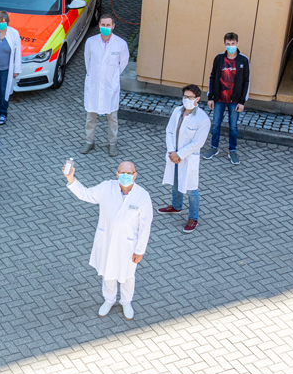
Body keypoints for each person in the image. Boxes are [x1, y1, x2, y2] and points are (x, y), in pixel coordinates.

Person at [63, 160, 153, 320]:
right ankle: (109, 300)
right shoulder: (106, 188)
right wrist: (71, 178)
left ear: (135, 175)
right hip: (108, 241)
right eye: (122, 173)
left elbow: (145, 226)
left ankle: (126, 302)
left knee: (128, 275)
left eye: (129, 173)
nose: (125, 176)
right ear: (117, 174)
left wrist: (140, 250)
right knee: (108, 272)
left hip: (128, 245)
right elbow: (85, 194)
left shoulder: (142, 196)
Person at [158, 85, 211, 233]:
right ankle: (176, 206)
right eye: (185, 97)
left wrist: (179, 155)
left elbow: (197, 143)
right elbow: (169, 131)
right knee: (175, 182)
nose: (187, 100)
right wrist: (171, 152)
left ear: (197, 99)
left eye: (191, 97)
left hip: (188, 158)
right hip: (173, 154)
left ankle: (193, 218)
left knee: (191, 190)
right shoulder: (177, 111)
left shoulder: (202, 119)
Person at [82, 15, 130, 157]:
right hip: (94, 84)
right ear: (99, 25)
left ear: (113, 26)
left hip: (110, 86)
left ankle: (112, 144)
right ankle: (89, 142)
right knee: (91, 116)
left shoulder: (120, 44)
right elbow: (88, 61)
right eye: (103, 24)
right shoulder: (91, 42)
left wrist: (112, 77)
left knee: (112, 117)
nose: (105, 27)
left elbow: (123, 63)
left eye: (108, 25)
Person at [203, 32, 250, 165]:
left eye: (233, 44)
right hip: (219, 99)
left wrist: (242, 101)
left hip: (234, 101)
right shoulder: (219, 59)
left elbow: (246, 81)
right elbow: (212, 77)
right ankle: (214, 148)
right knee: (216, 125)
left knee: (233, 127)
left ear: (237, 44)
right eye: (228, 44)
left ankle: (232, 150)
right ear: (225, 44)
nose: (231, 46)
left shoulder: (243, 60)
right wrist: (210, 97)